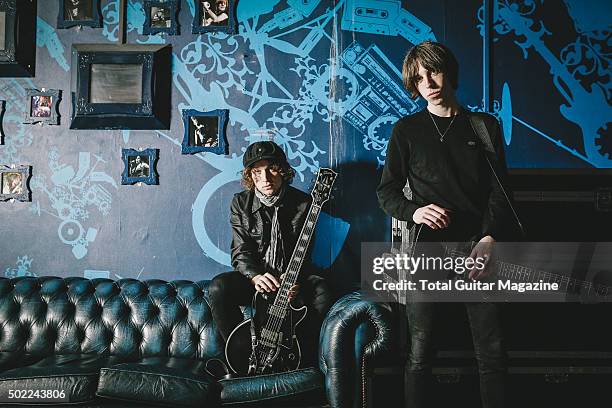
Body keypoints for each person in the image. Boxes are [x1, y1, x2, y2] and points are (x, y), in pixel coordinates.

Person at [377, 41, 516, 408]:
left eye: (434, 71)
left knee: (492, 352)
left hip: (477, 250)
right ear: (414, 84)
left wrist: (488, 239)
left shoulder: (484, 127)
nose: (428, 81)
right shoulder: (406, 131)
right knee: (420, 354)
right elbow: (386, 192)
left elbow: (500, 192)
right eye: (419, 77)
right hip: (427, 253)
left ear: (448, 72)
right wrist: (415, 212)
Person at [208, 141, 333, 368]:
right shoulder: (240, 203)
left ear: (283, 171)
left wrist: (294, 279)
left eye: (271, 169)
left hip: (291, 278)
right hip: (257, 280)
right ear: (250, 175)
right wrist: (255, 276)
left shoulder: (305, 204)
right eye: (257, 172)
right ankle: (241, 350)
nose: (265, 178)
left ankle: (302, 357)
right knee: (218, 287)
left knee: (322, 288)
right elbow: (240, 250)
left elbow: (305, 252)